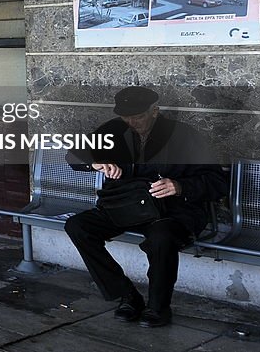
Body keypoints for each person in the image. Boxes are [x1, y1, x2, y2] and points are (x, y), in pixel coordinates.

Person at [64, 87, 228, 327]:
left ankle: (158, 307)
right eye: (125, 117)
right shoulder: (113, 130)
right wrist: (96, 163)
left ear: (155, 111)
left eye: (138, 116)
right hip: (125, 206)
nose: (131, 122)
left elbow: (218, 182)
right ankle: (127, 295)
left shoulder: (184, 136)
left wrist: (180, 186)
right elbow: (74, 154)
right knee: (78, 226)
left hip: (172, 210)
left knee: (162, 237)